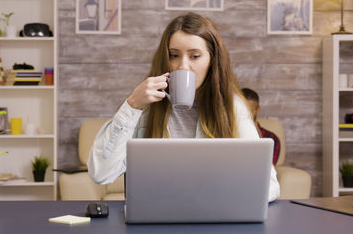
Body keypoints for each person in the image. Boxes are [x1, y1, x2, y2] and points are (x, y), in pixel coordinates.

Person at [87, 12, 280, 202]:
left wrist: (217, 198)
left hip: (211, 217)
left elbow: (269, 186)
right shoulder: (145, 106)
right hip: (156, 218)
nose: (183, 66)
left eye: (195, 56)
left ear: (212, 60)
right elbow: (101, 173)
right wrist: (132, 105)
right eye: (174, 55)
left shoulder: (232, 106)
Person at [241, 88, 281, 165]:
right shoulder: (225, 134)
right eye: (241, 110)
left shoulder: (271, 138)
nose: (244, 114)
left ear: (257, 110)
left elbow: (269, 169)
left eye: (249, 111)